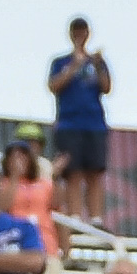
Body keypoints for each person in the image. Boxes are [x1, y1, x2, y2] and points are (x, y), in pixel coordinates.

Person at [45, 19, 113, 224]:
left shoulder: (97, 61)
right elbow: (54, 85)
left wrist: (98, 65)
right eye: (76, 31)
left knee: (95, 171)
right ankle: (74, 215)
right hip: (69, 123)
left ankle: (96, 217)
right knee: (72, 171)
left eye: (83, 31)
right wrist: (74, 66)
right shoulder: (60, 61)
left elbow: (107, 87)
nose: (80, 34)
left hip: (95, 123)